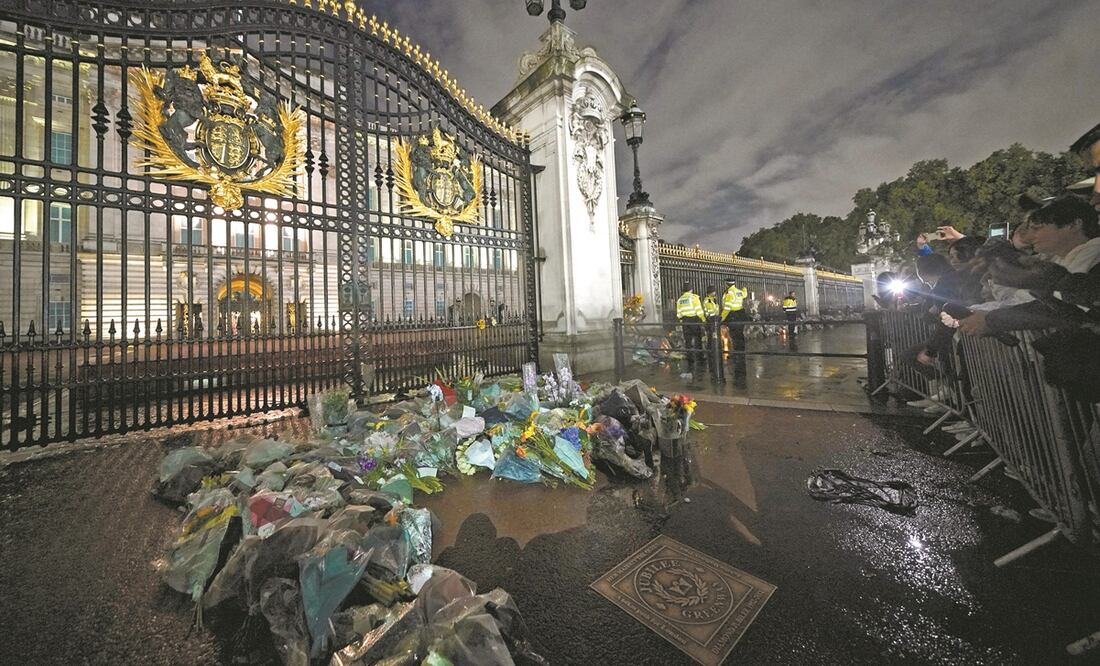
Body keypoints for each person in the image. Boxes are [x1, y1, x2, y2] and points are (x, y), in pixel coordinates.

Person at [675, 282, 706, 377]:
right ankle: (700, 357)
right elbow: (699, 310)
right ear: (691, 290)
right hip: (694, 320)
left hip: (685, 321)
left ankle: (690, 359)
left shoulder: (680, 300)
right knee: (697, 339)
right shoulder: (694, 298)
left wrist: (682, 319)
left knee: (687, 340)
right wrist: (704, 319)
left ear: (683, 290)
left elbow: (679, 314)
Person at [720, 278, 749, 352]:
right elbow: (744, 294)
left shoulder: (730, 293)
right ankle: (741, 350)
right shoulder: (739, 292)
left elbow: (727, 308)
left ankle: (737, 352)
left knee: (734, 335)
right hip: (741, 315)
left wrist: (721, 318)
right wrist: (744, 289)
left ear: (726, 284)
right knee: (740, 334)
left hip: (733, 316)